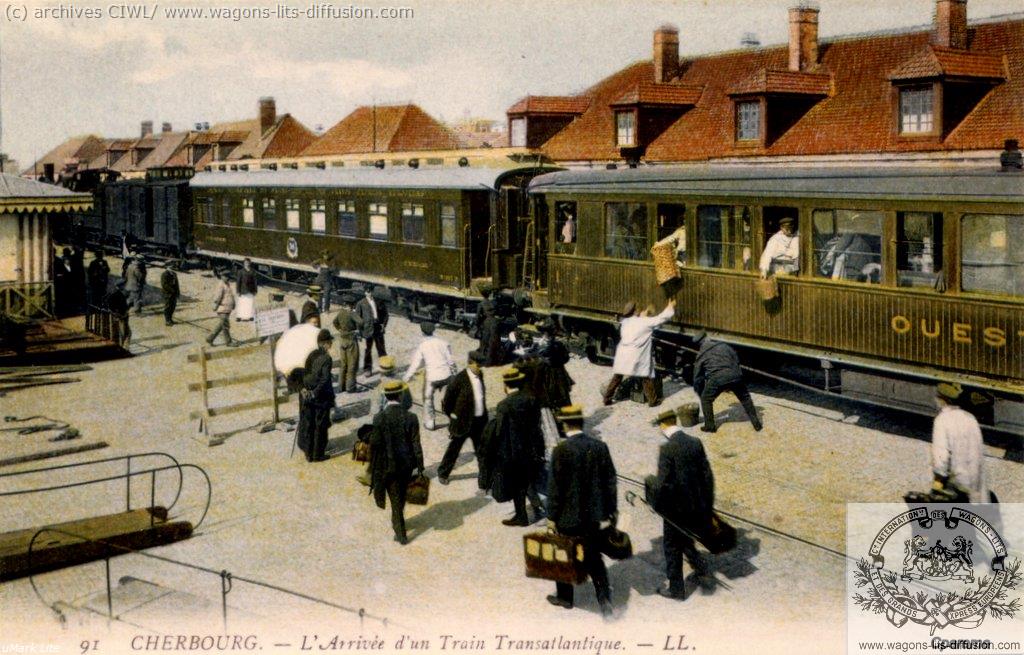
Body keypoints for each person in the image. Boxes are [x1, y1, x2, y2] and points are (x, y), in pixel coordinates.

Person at [546, 405, 617, 618]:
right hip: (593, 517)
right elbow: (610, 482)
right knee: (595, 558)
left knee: (563, 557)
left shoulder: (561, 450)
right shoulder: (599, 447)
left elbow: (555, 489)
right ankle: (605, 601)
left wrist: (551, 517)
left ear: (565, 424)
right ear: (582, 423)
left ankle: (565, 598)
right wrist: (611, 511)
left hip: (567, 518)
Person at [646, 408, 715, 600]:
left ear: (663, 425)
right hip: (696, 505)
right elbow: (707, 475)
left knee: (672, 546)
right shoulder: (695, 442)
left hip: (675, 510)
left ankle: (676, 590)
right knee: (686, 539)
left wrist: (655, 502)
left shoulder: (667, 449)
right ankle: (701, 569)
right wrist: (707, 503)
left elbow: (662, 484)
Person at [484, 369, 547, 526]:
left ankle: (522, 516)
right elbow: (537, 428)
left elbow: (499, 433)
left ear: (505, 385)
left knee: (518, 484)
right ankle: (537, 508)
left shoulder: (504, 406)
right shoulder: (532, 400)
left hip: (512, 453)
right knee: (527, 481)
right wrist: (540, 449)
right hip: (531, 450)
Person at [369, 380, 424, 545]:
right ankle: (399, 525)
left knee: (395, 498)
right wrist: (420, 465)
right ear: (400, 395)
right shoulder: (411, 417)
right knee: (399, 496)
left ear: (386, 396)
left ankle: (401, 534)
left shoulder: (379, 418)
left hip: (387, 466)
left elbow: (376, 444)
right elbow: (416, 444)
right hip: (406, 465)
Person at [603, 299, 676, 407]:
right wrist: (670, 307)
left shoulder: (625, 323)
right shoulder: (644, 322)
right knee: (645, 377)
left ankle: (607, 398)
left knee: (617, 376)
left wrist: (644, 314)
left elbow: (639, 321)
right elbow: (661, 318)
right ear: (636, 312)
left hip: (623, 354)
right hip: (637, 355)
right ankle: (653, 401)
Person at [692, 333, 761, 433]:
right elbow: (736, 358)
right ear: (707, 338)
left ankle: (710, 426)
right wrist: (737, 373)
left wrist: (698, 389)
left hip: (718, 378)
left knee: (706, 399)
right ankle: (757, 424)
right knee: (745, 397)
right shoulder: (724, 346)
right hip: (736, 375)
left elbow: (697, 376)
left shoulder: (701, 354)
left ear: (699, 344)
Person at [931, 382, 987, 503]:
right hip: (975, 479)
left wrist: (938, 479)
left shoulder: (942, 420)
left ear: (942, 400)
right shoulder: (970, 418)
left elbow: (942, 456)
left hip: (957, 483)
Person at [438, 351, 488, 485]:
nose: (481, 368)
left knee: (482, 452)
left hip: (479, 422)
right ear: (470, 363)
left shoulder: (480, 375)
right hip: (463, 422)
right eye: (479, 365)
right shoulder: (459, 379)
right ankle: (443, 473)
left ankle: (484, 481)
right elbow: (447, 402)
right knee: (454, 449)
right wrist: (452, 416)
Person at [403, 322, 456, 430]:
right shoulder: (443, 343)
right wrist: (454, 376)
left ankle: (430, 422)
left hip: (432, 378)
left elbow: (416, 364)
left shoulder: (422, 346)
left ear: (422, 333)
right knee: (450, 398)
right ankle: (454, 419)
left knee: (427, 398)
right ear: (433, 331)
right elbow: (451, 361)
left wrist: (406, 377)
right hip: (447, 375)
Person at [297, 329, 336, 463]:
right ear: (324, 343)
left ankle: (308, 454)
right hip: (321, 397)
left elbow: (305, 373)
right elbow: (324, 380)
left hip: (308, 394)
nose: (331, 344)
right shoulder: (327, 358)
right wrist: (315, 392)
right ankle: (318, 454)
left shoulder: (311, 355)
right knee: (321, 425)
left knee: (310, 424)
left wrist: (306, 390)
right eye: (329, 342)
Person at [332, 292, 363, 393]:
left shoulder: (341, 312)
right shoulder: (351, 313)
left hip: (342, 340)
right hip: (351, 340)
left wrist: (340, 330)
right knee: (352, 364)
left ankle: (341, 387)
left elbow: (334, 322)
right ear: (352, 304)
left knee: (343, 364)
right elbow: (361, 322)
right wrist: (355, 330)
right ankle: (350, 387)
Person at [356, 286, 388, 374]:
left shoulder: (378, 301)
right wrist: (359, 331)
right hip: (367, 329)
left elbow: (385, 314)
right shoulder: (361, 303)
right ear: (365, 293)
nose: (369, 293)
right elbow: (357, 318)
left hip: (378, 328)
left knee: (381, 348)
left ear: (373, 292)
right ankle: (367, 369)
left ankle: (386, 366)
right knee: (368, 350)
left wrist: (383, 324)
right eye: (367, 292)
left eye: (370, 291)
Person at [206, 269, 236, 347]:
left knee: (221, 325)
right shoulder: (221, 285)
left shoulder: (227, 284)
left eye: (228, 276)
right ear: (222, 276)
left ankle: (210, 338)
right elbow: (218, 298)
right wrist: (216, 307)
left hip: (227, 308)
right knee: (225, 326)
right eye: (225, 276)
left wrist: (233, 303)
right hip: (222, 308)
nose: (227, 278)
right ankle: (229, 342)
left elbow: (231, 296)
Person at [105, 281, 131, 346]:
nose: (125, 287)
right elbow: (110, 305)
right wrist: (116, 313)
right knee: (125, 333)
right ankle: (123, 347)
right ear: (120, 287)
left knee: (125, 332)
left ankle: (123, 346)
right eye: (123, 286)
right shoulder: (117, 294)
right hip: (121, 316)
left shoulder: (117, 293)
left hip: (121, 315)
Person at [160, 262, 180, 326]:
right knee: (168, 307)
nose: (172, 268)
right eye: (171, 267)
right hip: (168, 294)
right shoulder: (164, 274)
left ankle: (170, 319)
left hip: (174, 294)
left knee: (173, 307)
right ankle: (167, 320)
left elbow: (177, 284)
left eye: (173, 267)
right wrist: (172, 290)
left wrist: (177, 292)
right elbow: (164, 285)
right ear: (167, 267)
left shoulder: (174, 274)